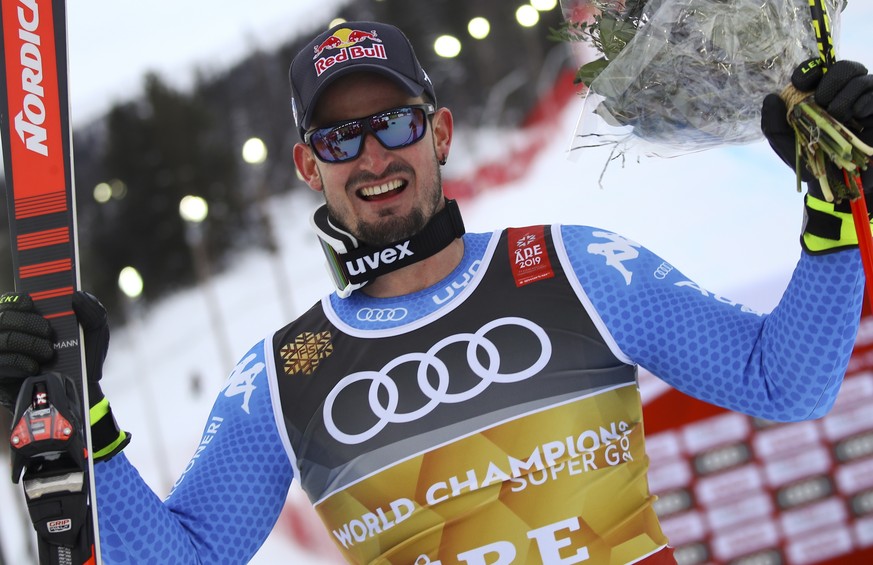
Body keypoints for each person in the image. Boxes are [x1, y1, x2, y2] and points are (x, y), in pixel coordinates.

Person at [1, 20, 872, 565]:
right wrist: (88, 432)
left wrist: (831, 205)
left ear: (438, 132)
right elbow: (181, 559)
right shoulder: (282, 373)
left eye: (394, 125)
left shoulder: (570, 266)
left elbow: (784, 382)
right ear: (308, 168)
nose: (373, 158)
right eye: (341, 140)